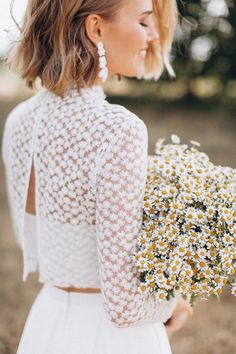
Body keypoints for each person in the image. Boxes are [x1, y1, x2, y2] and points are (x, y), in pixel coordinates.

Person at [2, 0, 193, 353]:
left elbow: (36, 245)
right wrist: (173, 303)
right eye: (144, 21)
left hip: (48, 320)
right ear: (96, 29)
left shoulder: (19, 121)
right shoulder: (118, 130)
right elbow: (123, 305)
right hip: (112, 335)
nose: (152, 36)